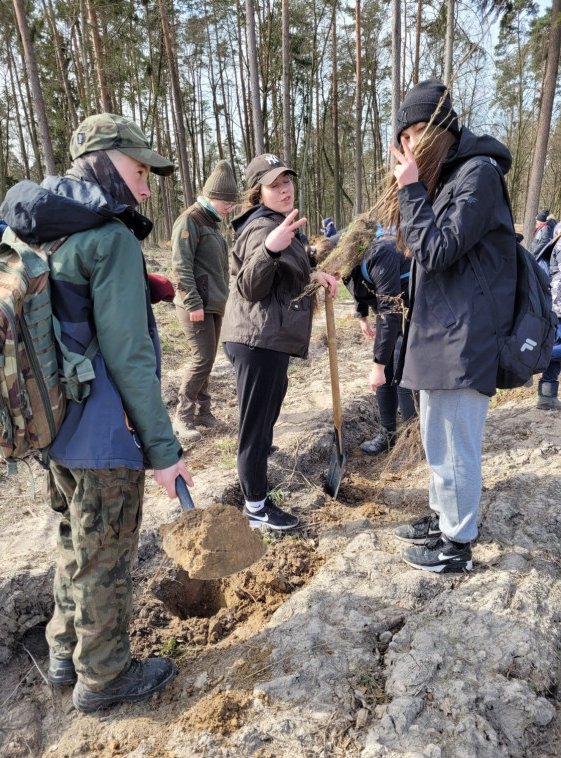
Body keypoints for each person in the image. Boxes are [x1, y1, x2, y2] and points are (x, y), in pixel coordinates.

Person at [1, 113, 193, 712]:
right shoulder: (108, 238)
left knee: (74, 542)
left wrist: (142, 286)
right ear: (106, 164)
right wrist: (165, 454)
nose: (145, 187)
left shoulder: (44, 229)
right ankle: (104, 676)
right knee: (106, 554)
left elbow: (66, 307)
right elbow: (131, 359)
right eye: (139, 171)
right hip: (103, 433)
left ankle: (64, 652)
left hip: (54, 425)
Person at [379, 79, 517, 573]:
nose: (412, 143)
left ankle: (456, 547)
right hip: (441, 330)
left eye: (419, 130)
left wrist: (413, 187)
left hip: (466, 334)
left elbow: (437, 251)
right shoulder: (449, 176)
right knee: (438, 435)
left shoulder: (478, 174)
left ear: (443, 127)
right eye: (406, 135)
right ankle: (443, 518)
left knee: (455, 440)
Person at [221, 154, 337, 530]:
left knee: (264, 420)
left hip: (266, 338)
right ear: (258, 192)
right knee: (255, 427)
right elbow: (250, 287)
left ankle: (256, 495)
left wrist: (315, 275)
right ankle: (255, 508)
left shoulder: (277, 223)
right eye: (274, 185)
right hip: (256, 340)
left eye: (287, 181)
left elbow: (283, 277)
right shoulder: (262, 229)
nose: (284, 189)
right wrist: (270, 247)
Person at [171, 160, 238, 443]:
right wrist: (193, 302)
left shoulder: (212, 223)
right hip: (195, 306)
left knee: (209, 359)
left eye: (232, 203)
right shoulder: (191, 220)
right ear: (213, 196)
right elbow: (180, 265)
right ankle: (182, 416)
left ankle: (203, 412)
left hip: (214, 304)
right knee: (201, 359)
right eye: (227, 202)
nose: (230, 207)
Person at [343, 232, 417, 455]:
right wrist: (361, 315)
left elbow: (390, 311)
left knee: (400, 370)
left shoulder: (379, 253)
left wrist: (378, 365)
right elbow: (354, 282)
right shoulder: (344, 253)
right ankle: (387, 435)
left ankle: (410, 440)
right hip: (391, 308)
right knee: (386, 372)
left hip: (411, 305)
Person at [536, 222, 561, 409]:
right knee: (556, 346)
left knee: (557, 346)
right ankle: (530, 360)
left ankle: (547, 395)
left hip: (556, 301)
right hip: (558, 301)